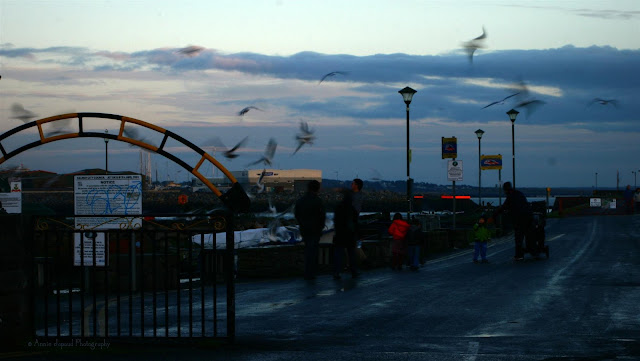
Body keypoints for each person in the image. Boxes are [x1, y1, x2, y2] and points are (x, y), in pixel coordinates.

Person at [492, 181, 532, 261]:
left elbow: (504, 207)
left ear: (505, 189)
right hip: (528, 216)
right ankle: (532, 249)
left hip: (519, 218)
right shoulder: (519, 193)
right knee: (529, 234)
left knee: (518, 237)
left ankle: (519, 255)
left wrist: (495, 214)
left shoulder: (510, 196)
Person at [294, 180, 326, 280]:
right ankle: (312, 272)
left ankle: (308, 272)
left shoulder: (301, 200)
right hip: (315, 229)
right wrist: (320, 227)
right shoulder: (318, 201)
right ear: (317, 188)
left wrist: (301, 224)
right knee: (313, 251)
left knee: (308, 249)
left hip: (304, 229)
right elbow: (322, 216)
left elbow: (297, 214)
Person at [332, 190, 360, 280]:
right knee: (352, 254)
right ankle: (354, 271)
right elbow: (356, 223)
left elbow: (336, 221)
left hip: (340, 234)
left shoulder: (339, 208)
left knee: (338, 254)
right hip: (350, 235)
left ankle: (337, 272)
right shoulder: (352, 209)